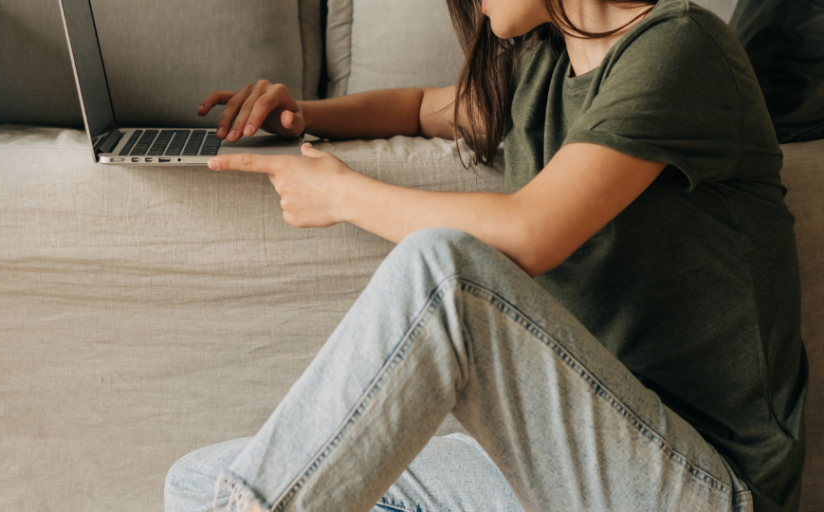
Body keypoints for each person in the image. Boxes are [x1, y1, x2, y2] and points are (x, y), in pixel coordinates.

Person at [164, 0, 807, 509]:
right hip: (564, 469)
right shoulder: (543, 69)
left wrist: (339, 193)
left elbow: (532, 232)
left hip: (700, 487)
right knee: (201, 482)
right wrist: (300, 115)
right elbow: (419, 108)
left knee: (445, 271)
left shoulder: (679, 46)